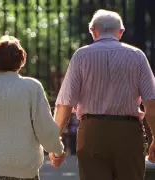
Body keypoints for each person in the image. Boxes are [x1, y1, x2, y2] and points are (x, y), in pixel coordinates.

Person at [52, 9, 155, 180]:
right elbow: (151, 103)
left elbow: (65, 103)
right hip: (128, 132)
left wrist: (55, 140)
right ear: (121, 32)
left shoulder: (81, 56)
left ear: (92, 31)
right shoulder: (137, 56)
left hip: (92, 132)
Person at [0, 35, 65, 180]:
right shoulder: (32, 87)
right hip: (25, 169)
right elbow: (44, 126)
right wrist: (57, 149)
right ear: (22, 60)